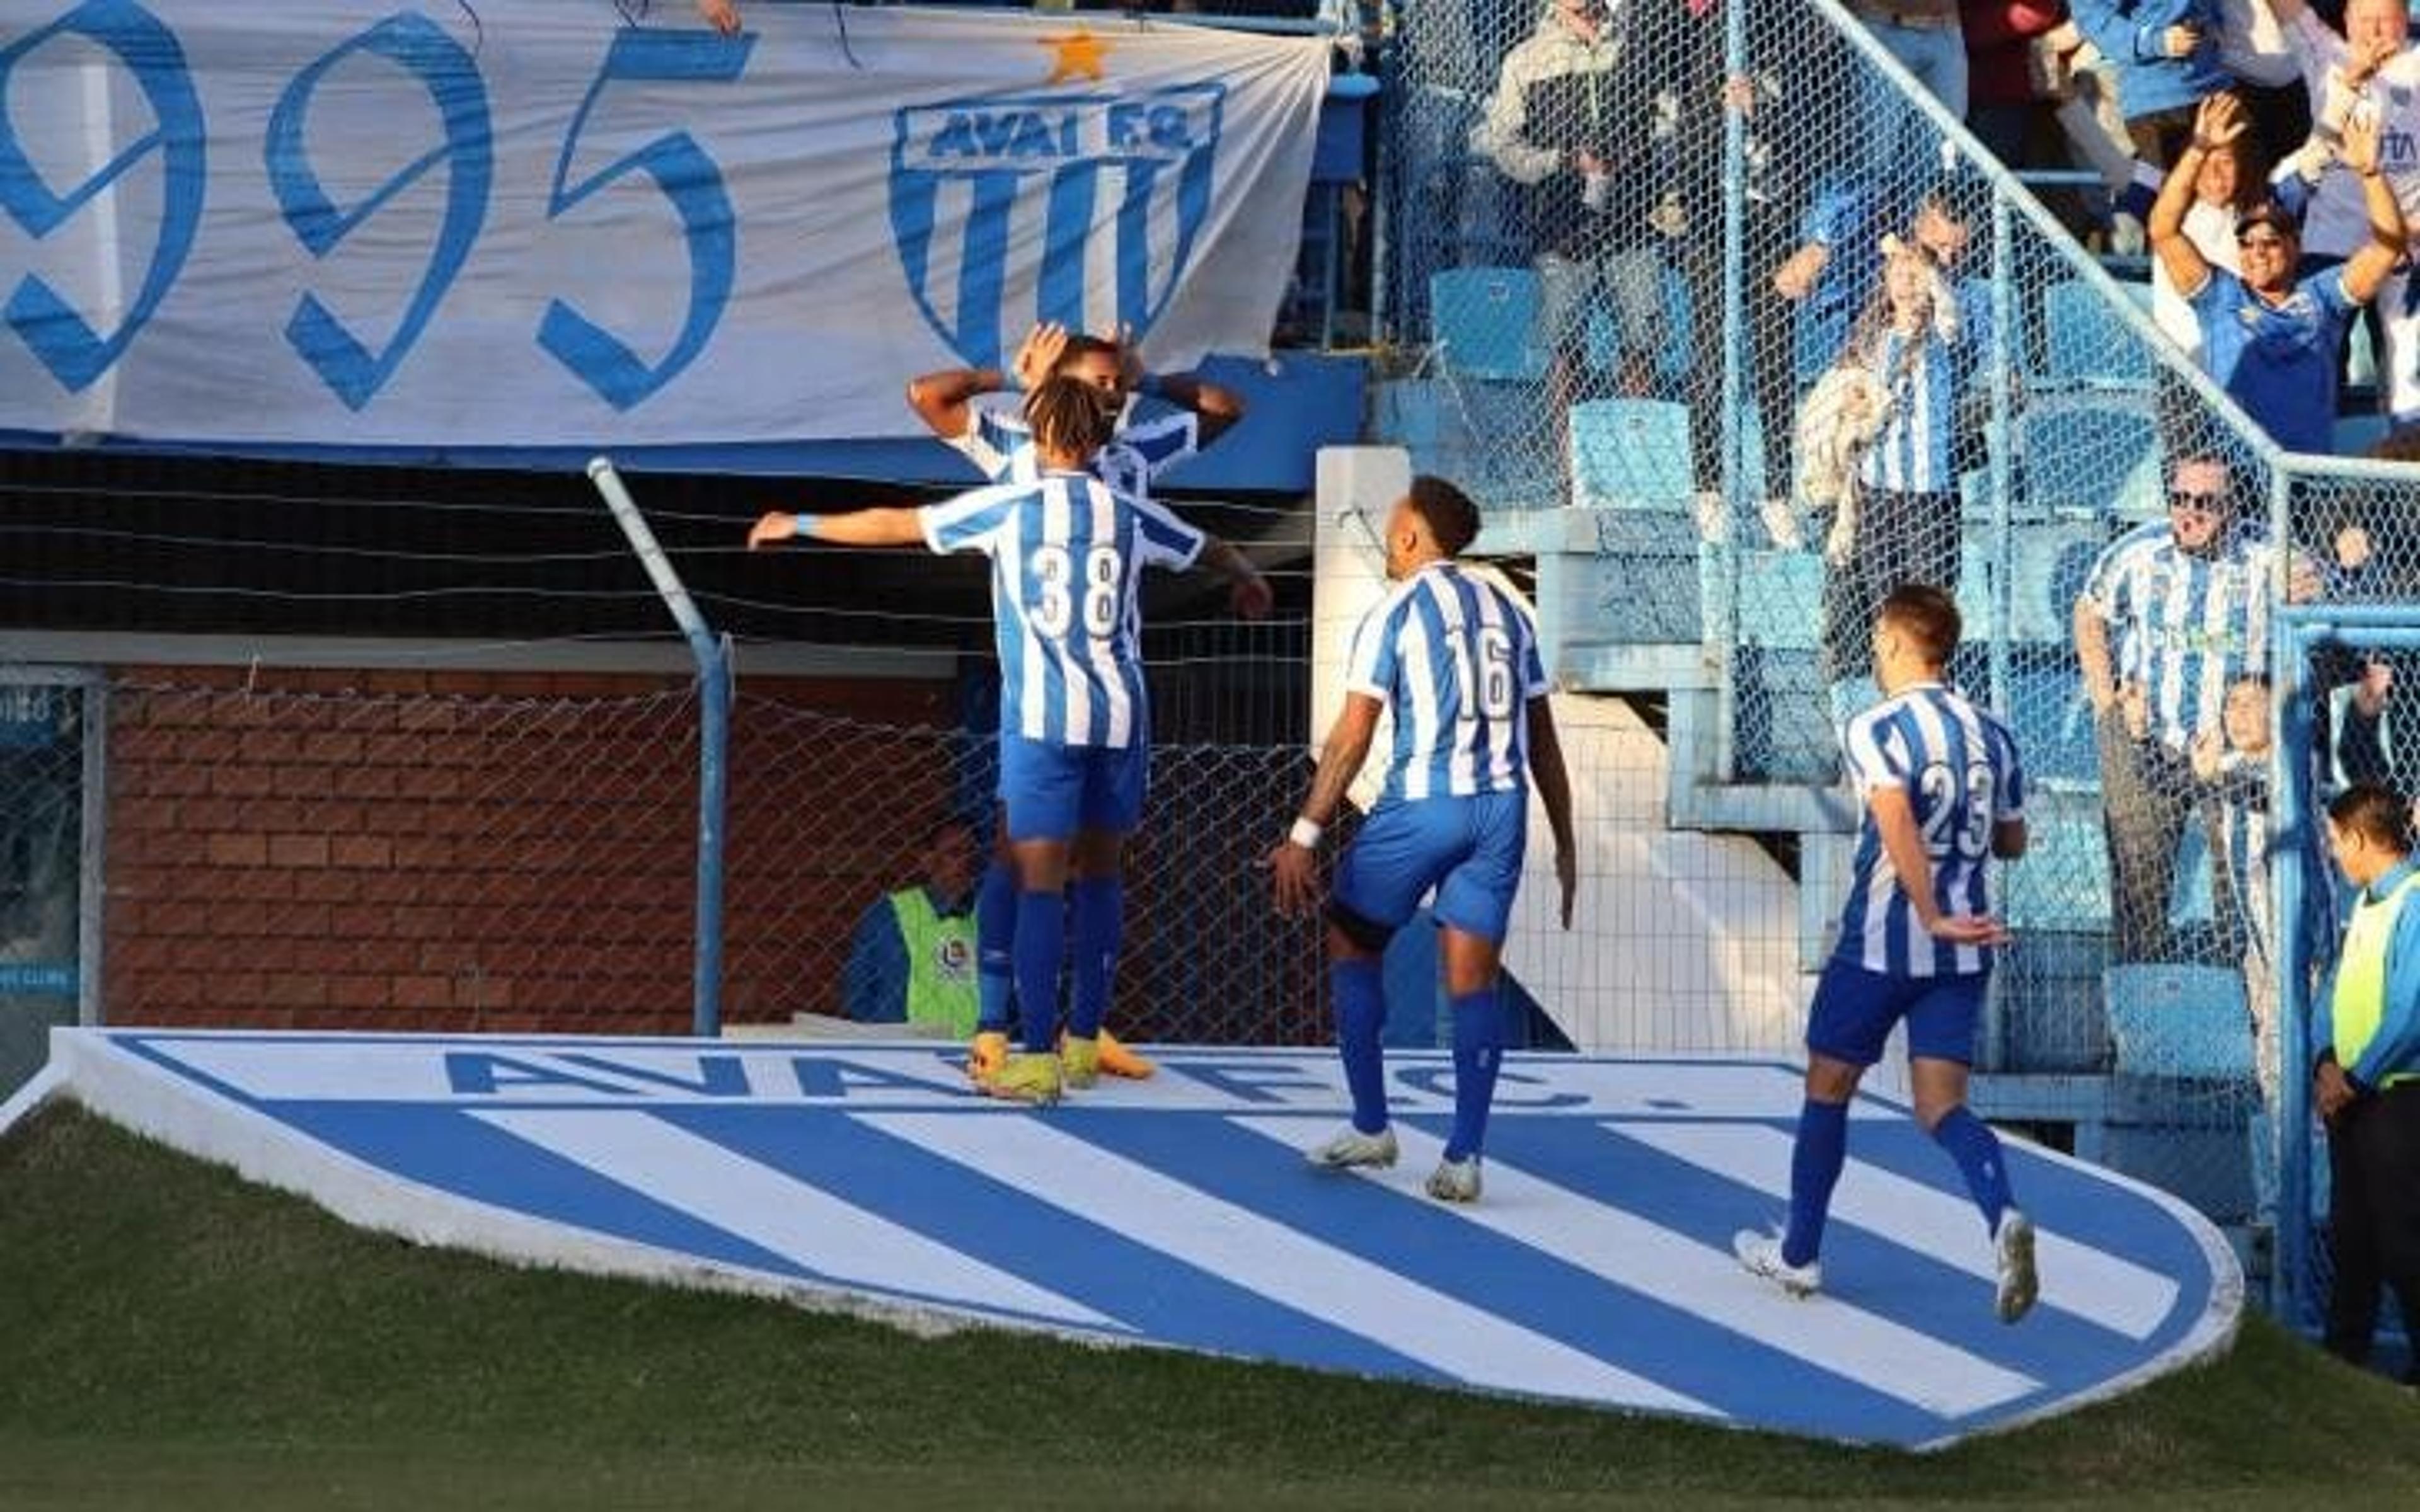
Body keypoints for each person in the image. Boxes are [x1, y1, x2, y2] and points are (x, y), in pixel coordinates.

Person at [750, 377, 1269, 1103]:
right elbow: (1208, 546)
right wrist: (1249, 577)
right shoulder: (1131, 510)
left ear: (1043, 435)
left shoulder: (1009, 506)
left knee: (1037, 884)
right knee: (1104, 877)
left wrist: (799, 523)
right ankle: (1084, 1042)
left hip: (1045, 725)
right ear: (1097, 444)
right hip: (1121, 719)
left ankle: (1032, 1054)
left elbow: (896, 523)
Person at [906, 323, 1258, 1082]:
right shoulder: (1012, 444)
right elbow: (928, 396)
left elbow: (1229, 408)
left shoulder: (1133, 454)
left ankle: (1084, 1032)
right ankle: (995, 1027)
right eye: (1097, 383)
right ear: (1058, 384)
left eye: (1117, 383)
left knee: (1101, 865)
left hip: (1108, 683)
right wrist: (1011, 375)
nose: (1112, 394)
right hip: (1037, 680)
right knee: (1016, 856)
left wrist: (1150, 379)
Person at [1734, 584, 2040, 1324]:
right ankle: (2002, 1216)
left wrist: (1928, 909)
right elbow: (2014, 842)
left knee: (1828, 1086)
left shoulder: (1876, 725)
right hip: (1965, 950)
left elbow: (1895, 817)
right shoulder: (1995, 733)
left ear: (1901, 643)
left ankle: (1800, 1254)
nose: (1875, 654)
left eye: (1878, 643)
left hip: (1885, 940)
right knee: (1942, 1106)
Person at [1268, 475, 1577, 1204]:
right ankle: (1465, 1156)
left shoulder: (1395, 612)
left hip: (1424, 807)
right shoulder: (1510, 612)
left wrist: (1303, 835)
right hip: (1502, 810)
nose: (1385, 537)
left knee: (1352, 939)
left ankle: (1373, 1123)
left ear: (1411, 535)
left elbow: (1351, 735)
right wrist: (1565, 841)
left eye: (1391, 523)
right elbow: (1544, 738)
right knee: (1473, 980)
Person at [2074, 454, 2307, 961]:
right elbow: (2089, 612)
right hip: (2147, 741)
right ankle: (2137, 1022)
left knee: (2246, 899)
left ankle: (2249, 1019)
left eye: (2206, 503)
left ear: (2235, 506)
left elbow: (2320, 596)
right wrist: (2107, 705)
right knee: (2139, 897)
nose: (2190, 513)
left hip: (2234, 754)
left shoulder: (2269, 555)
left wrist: (2321, 577)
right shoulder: (2139, 553)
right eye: (2180, 499)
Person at [2152, 94, 2404, 454]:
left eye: (2270, 242)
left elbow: (2387, 247)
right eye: (2247, 243)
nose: (2257, 252)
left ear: (2295, 247)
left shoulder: (2324, 296)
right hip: (2235, 483)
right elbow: (2163, 230)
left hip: (2308, 480)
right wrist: (2199, 147)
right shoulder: (2220, 297)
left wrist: (2371, 174)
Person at [1470, 0, 1671, 408]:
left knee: (1640, 347)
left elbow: (1670, 119)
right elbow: (1505, 147)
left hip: (1633, 221)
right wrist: (1561, 161)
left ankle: (1639, 457)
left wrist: (1637, 151)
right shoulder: (1525, 60)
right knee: (1565, 352)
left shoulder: (1637, 45)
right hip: (1560, 225)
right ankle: (1570, 469)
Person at [2269, 0, 2420, 430]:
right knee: (2318, 360)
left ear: (2407, 16)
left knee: (2407, 365)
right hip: (2330, 240)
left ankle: (2405, 477)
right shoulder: (2325, 51)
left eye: (2387, 16)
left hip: (2407, 239)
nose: (2375, 28)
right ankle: (2313, 475)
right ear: (2347, 19)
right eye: (2365, 17)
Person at [2313, 781, 2420, 1383]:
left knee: (2404, 1241)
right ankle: (2341, 1373)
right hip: (2352, 1099)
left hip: (2396, 1100)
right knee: (2352, 1242)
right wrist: (2327, 1063)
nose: (2333, 852)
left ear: (2360, 838)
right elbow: (2334, 994)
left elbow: (2412, 1011)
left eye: (2335, 840)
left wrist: (2354, 1077)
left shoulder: (2414, 899)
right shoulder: (2365, 904)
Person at [842, 816, 983, 1036]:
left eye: (972, 853)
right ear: (928, 860)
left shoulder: (989, 916)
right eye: (954, 853)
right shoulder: (890, 915)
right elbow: (857, 993)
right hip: (906, 1052)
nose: (966, 862)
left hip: (977, 1055)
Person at [2071, 1, 2234, 169]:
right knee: (2172, 191)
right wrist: (2154, 41)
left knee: (2244, 190)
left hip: (2219, 90)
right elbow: (2091, 15)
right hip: (2158, 105)